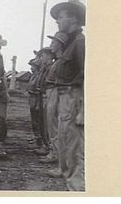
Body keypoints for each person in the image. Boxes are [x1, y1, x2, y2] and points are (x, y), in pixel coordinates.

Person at [49, 1, 85, 191]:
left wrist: (83, 110)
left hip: (74, 96)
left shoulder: (80, 42)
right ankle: (68, 178)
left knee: (73, 147)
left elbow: (87, 75)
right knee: (64, 141)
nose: (57, 21)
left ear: (73, 19)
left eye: (61, 17)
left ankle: (77, 190)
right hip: (65, 96)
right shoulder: (70, 42)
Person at [38, 32, 68, 165]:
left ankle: (56, 154)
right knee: (51, 124)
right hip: (51, 92)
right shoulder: (58, 61)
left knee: (54, 125)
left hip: (56, 91)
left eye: (53, 43)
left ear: (60, 45)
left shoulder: (61, 62)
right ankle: (53, 152)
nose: (51, 46)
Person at [33, 47, 55, 157]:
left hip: (48, 95)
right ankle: (46, 145)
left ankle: (49, 147)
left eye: (44, 55)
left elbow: (49, 83)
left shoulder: (51, 67)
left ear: (50, 56)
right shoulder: (45, 67)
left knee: (47, 123)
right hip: (42, 95)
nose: (42, 57)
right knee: (42, 121)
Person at [27, 57, 43, 149]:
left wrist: (37, 104)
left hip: (36, 99)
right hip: (31, 99)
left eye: (33, 66)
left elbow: (38, 91)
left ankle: (39, 139)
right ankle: (35, 136)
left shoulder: (39, 76)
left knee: (38, 120)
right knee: (34, 120)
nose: (31, 68)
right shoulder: (33, 76)